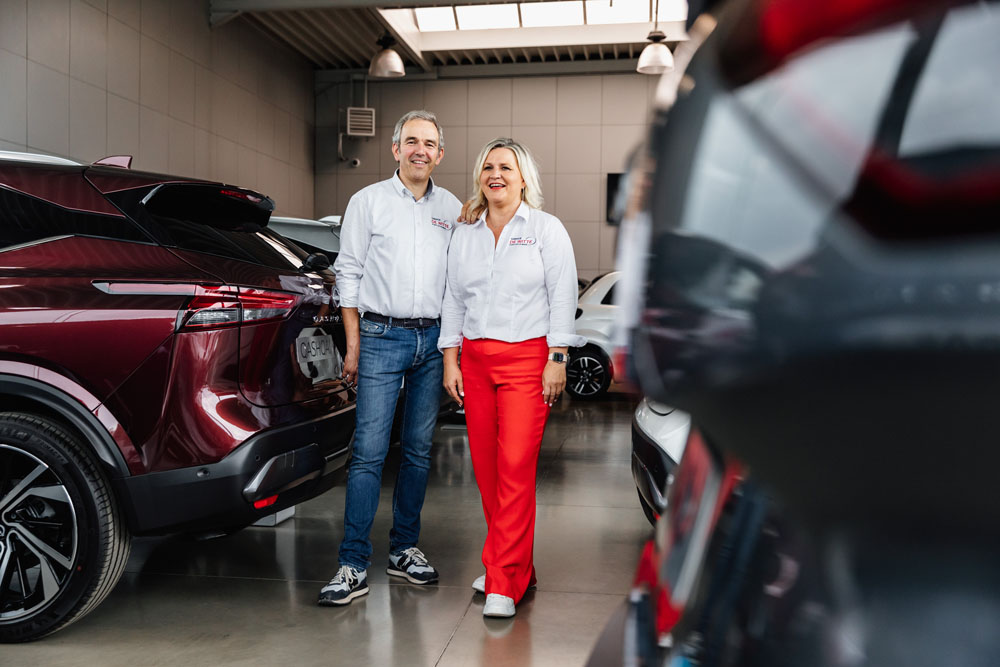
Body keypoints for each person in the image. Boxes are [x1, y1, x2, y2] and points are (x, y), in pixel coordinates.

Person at [318, 110, 461, 606]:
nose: (421, 149)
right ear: (395, 149)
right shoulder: (368, 202)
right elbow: (349, 274)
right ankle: (353, 562)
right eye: (412, 141)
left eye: (430, 143)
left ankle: (404, 550)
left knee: (419, 451)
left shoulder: (453, 208)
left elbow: (457, 287)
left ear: (440, 154)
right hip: (380, 336)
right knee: (369, 452)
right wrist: (354, 343)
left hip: (432, 341)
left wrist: (451, 352)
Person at [439, 137, 585, 618]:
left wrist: (557, 357)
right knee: (486, 472)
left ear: (524, 178)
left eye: (505, 167)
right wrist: (451, 358)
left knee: (515, 470)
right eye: (487, 167)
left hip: (527, 360)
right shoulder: (466, 232)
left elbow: (562, 294)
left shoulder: (546, 229)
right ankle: (515, 566)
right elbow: (454, 300)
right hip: (475, 361)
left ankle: (503, 579)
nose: (495, 174)